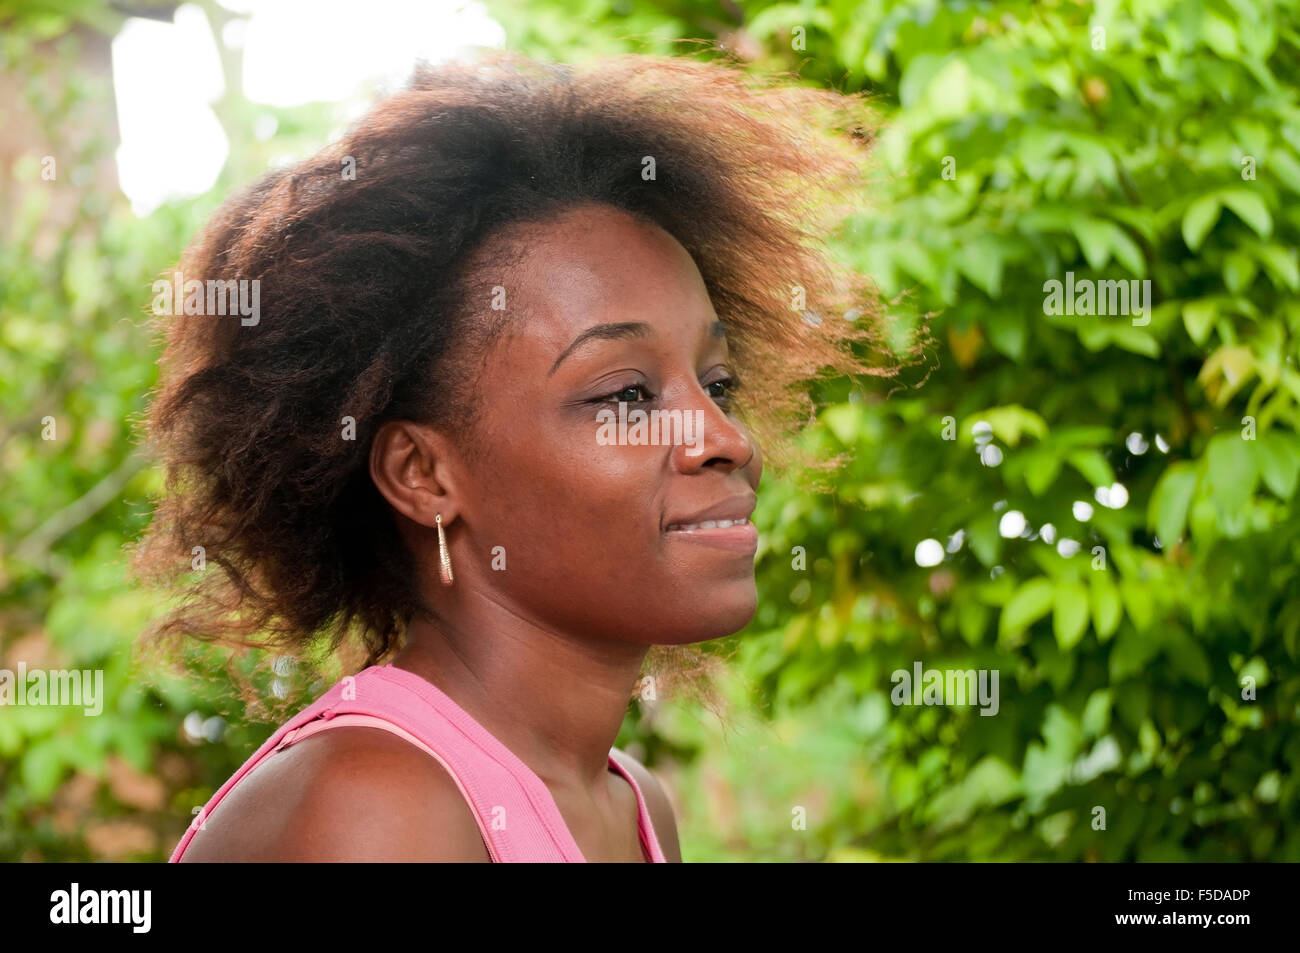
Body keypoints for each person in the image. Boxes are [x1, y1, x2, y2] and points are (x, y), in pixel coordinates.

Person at [134, 49, 878, 862]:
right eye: (627, 396)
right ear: (424, 474)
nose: (726, 440)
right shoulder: (381, 808)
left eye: (719, 383)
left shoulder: (631, 803)